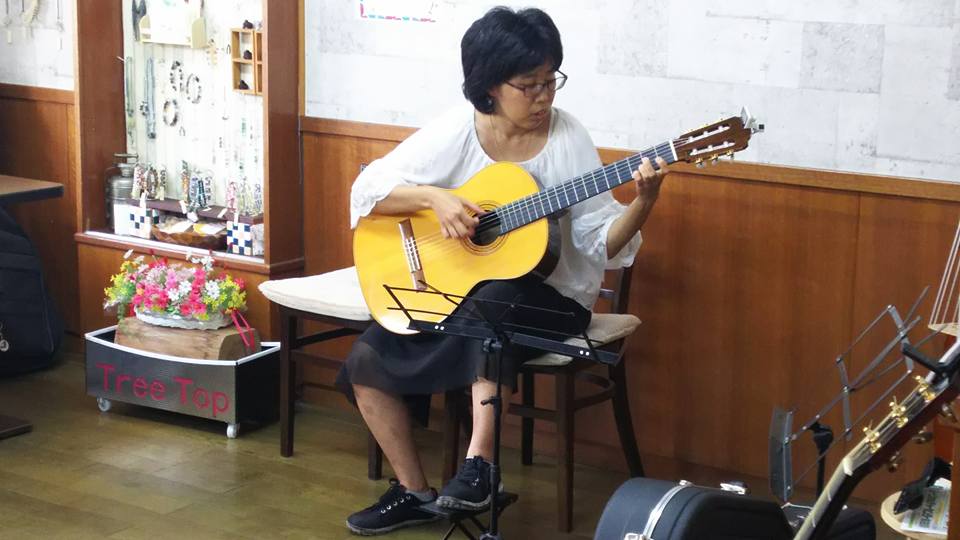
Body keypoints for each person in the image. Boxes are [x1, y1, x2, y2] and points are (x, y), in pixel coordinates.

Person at [337, 6, 668, 536]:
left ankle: (480, 467)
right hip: (461, 295)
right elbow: (368, 191)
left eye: (551, 81)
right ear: (489, 85)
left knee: (495, 304)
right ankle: (414, 492)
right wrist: (434, 198)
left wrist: (643, 202)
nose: (544, 97)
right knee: (367, 355)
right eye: (529, 85)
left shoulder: (568, 138)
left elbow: (600, 242)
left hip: (554, 298)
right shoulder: (459, 129)